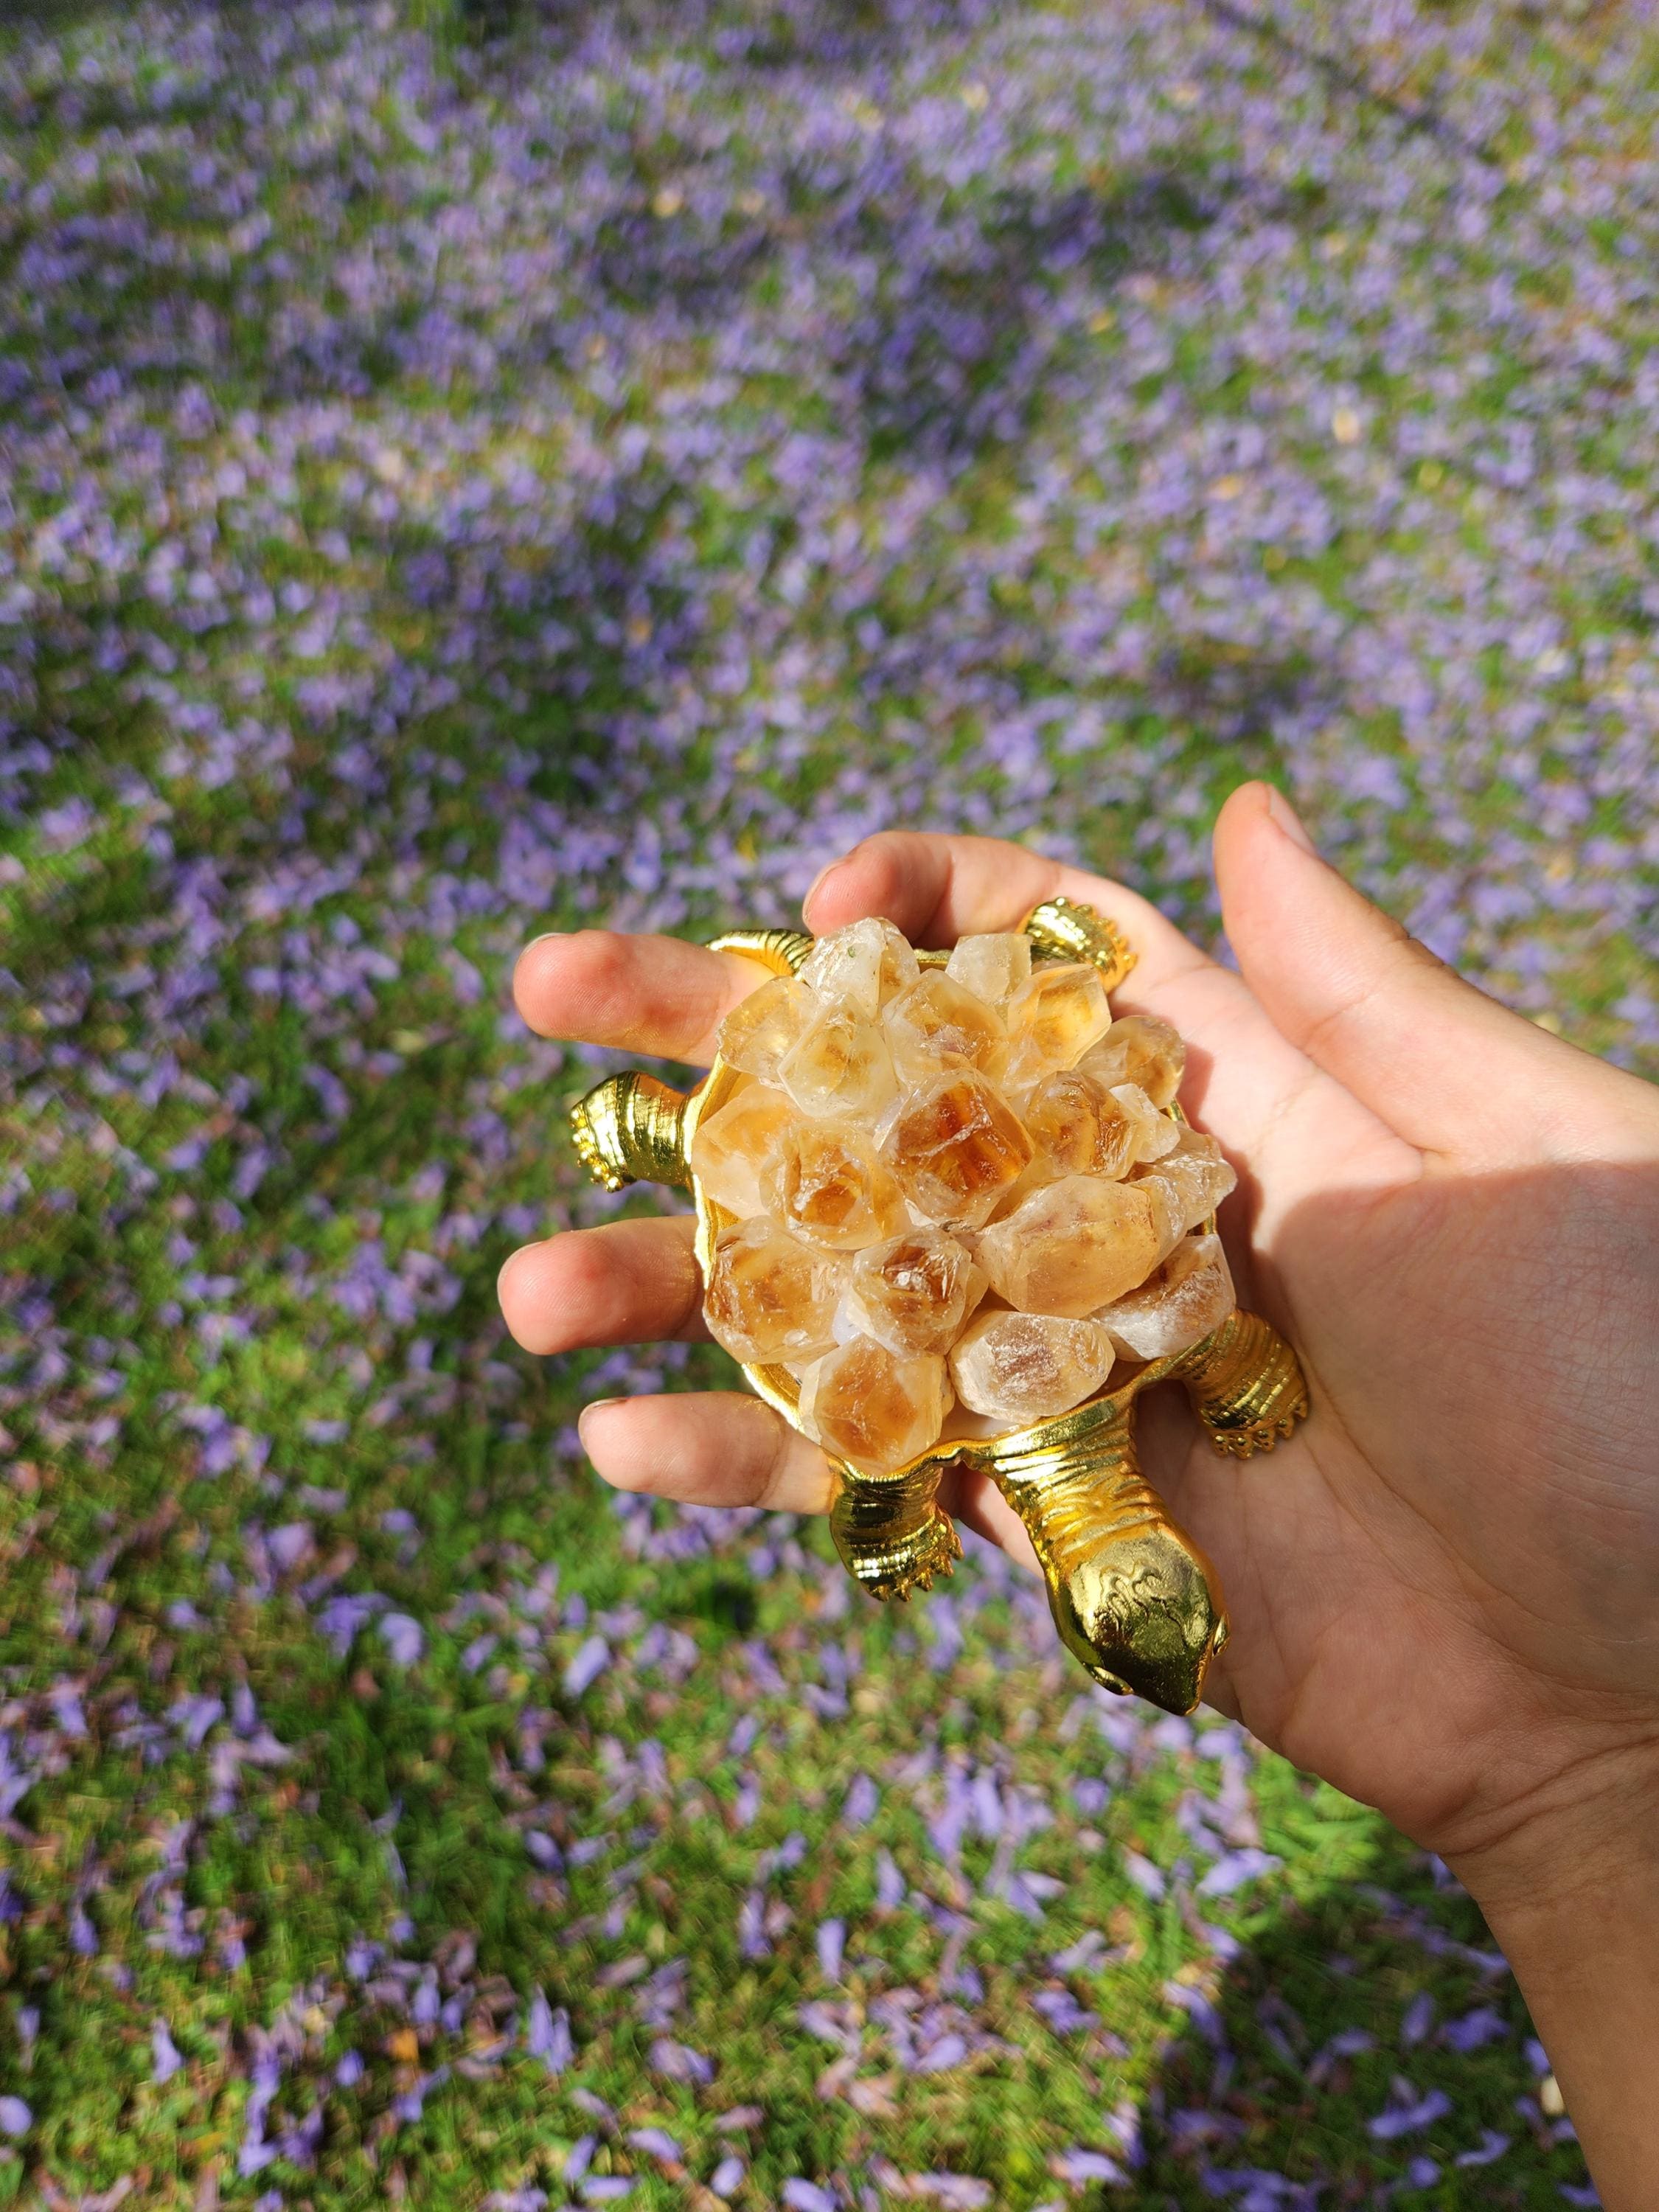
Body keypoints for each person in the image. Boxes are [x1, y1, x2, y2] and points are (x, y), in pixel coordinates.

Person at [496, 782, 1659, 2208]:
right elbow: (1185, 1318)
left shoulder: (1001, 1400)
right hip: (852, 1152)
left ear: (1084, 1586)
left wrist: (1598, 1794)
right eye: (1158, 1613)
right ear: (1106, 1566)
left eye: (1132, 1629)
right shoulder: (1133, 1347)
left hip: (937, 1185)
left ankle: (692, 1128)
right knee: (1058, 1313)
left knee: (946, 1382)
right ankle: (681, 1129)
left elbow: (925, 1422)